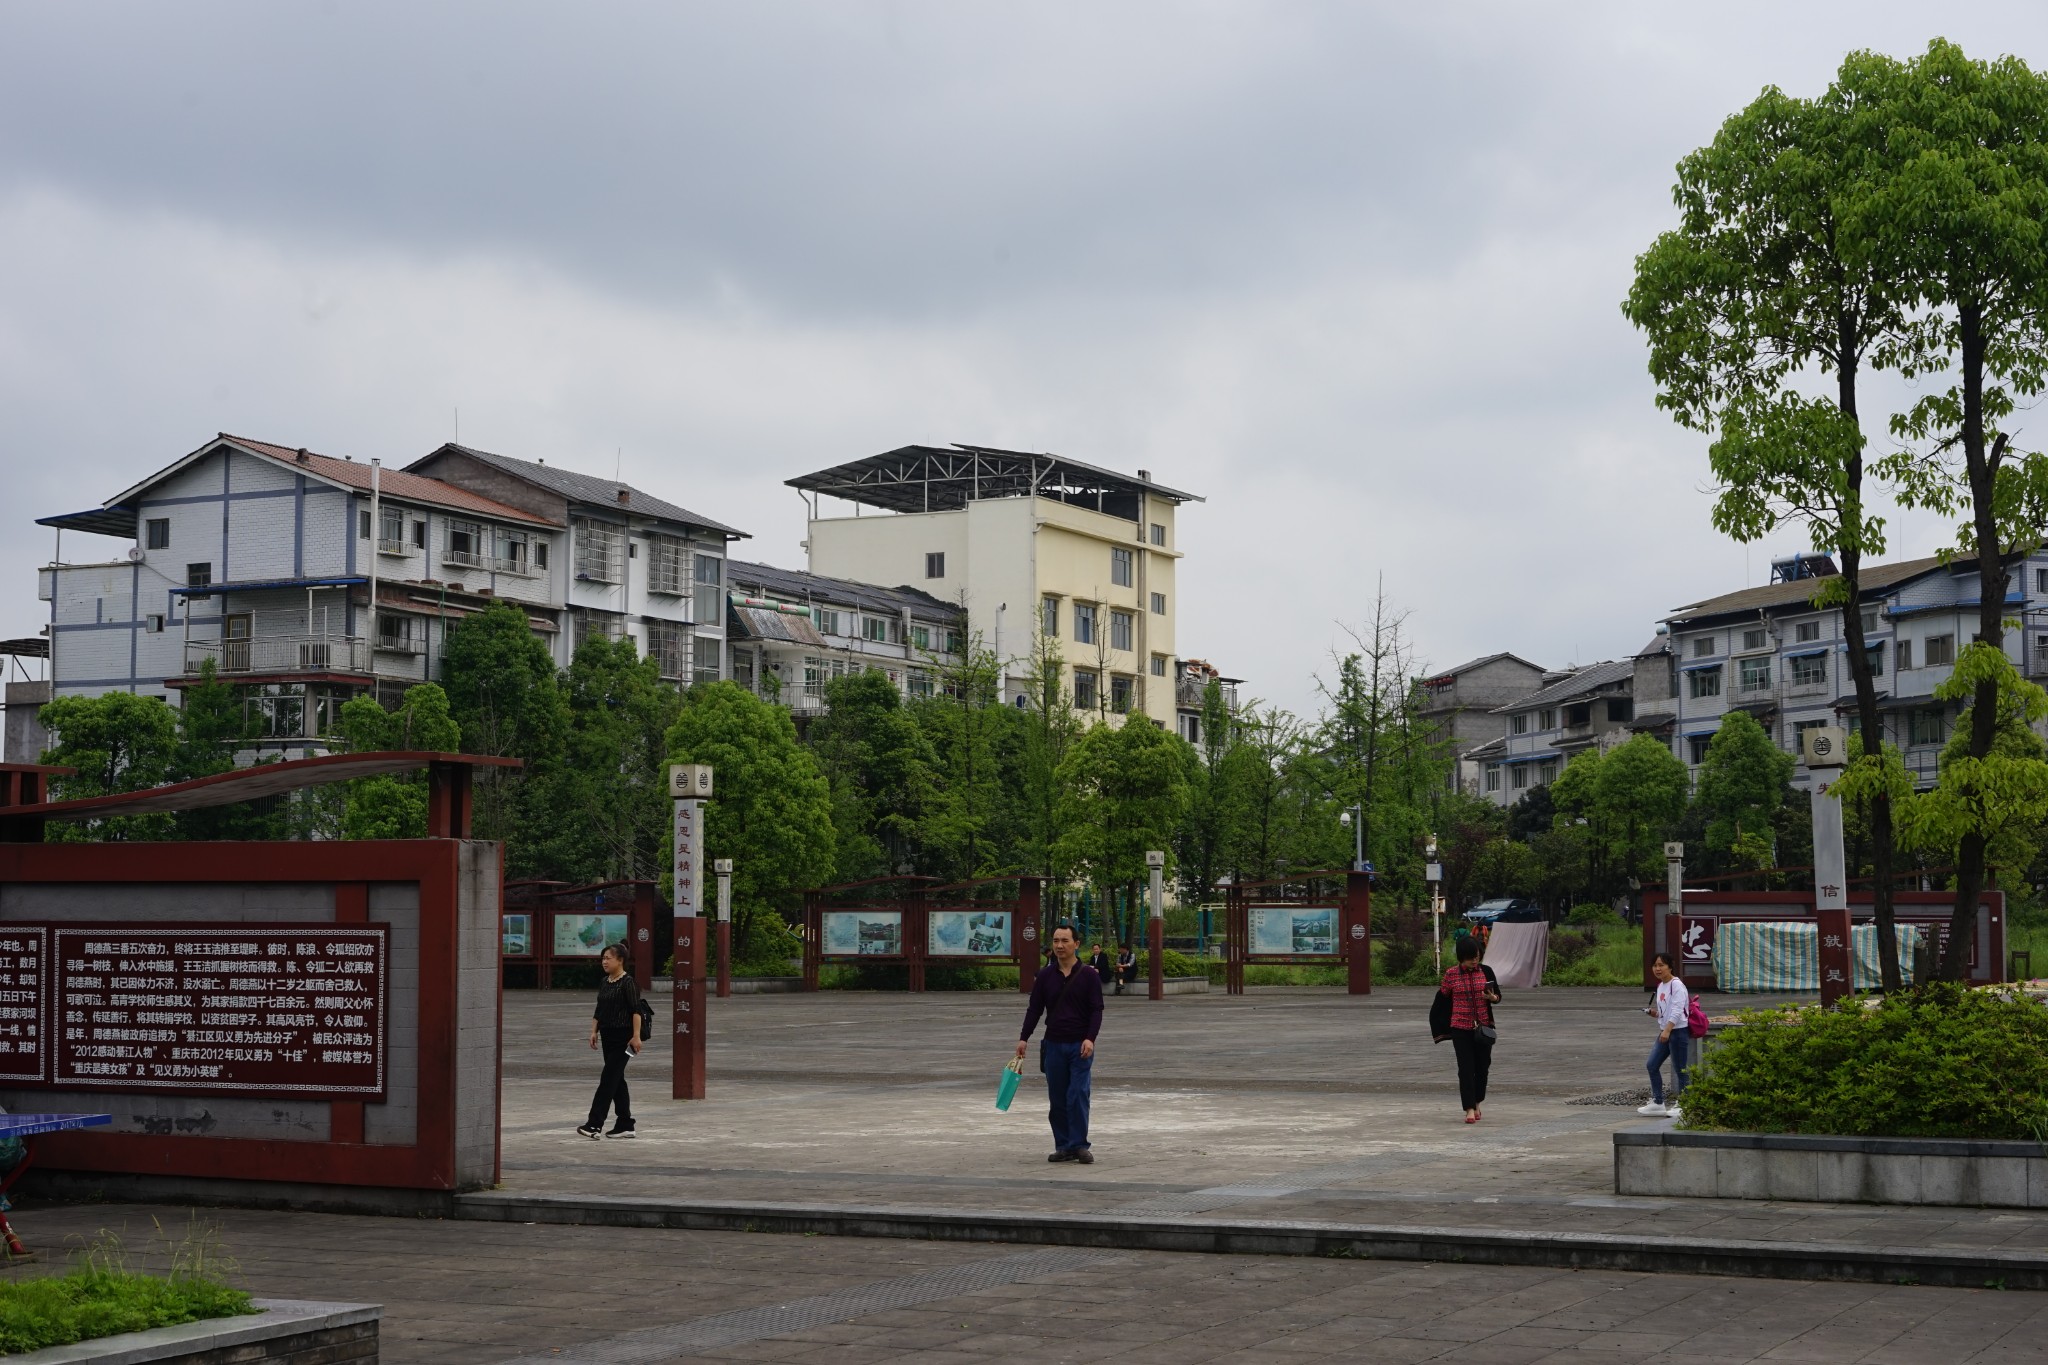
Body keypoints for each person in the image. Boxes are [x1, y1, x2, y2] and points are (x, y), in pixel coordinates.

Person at [1016, 923, 1104, 1164]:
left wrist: (1090, 1038)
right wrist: (1024, 1038)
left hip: (1079, 1046)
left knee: (1077, 1094)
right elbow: (1034, 1009)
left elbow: (1097, 1010)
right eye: (1056, 941)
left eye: (1065, 941)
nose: (1059, 946)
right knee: (1057, 1098)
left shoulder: (1088, 976)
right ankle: (1063, 1145)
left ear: (1076, 944)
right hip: (1053, 1045)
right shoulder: (1045, 976)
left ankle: (1079, 1145)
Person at [579, 943, 644, 1139]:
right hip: (607, 1036)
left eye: (608, 958)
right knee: (617, 1079)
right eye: (603, 958)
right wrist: (593, 1031)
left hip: (624, 1039)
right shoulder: (605, 982)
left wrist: (636, 1036)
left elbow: (636, 1011)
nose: (604, 961)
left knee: (608, 1079)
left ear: (620, 960)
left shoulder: (628, 982)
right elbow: (600, 1009)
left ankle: (594, 1124)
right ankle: (625, 1124)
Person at [1434, 933, 1500, 1124]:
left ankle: (1478, 1102)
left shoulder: (1487, 971)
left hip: (1483, 1028)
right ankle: (1469, 1109)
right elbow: (1442, 998)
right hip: (1460, 1028)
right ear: (1461, 957)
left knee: (1482, 1067)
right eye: (1471, 957)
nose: (1475, 960)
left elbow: (1498, 996)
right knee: (1465, 1068)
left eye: (1477, 956)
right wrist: (1440, 1025)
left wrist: (1492, 998)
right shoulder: (1451, 974)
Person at [1639, 951, 1691, 1119]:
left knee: (1680, 1069)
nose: (1658, 969)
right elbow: (1666, 1011)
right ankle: (1658, 1102)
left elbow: (1677, 1010)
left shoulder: (1676, 985)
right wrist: (1655, 1014)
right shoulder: (1661, 986)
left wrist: (1668, 1030)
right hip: (1665, 1031)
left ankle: (1685, 1103)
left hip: (1677, 1031)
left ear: (1670, 966)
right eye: (1655, 965)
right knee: (1652, 1065)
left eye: (1661, 965)